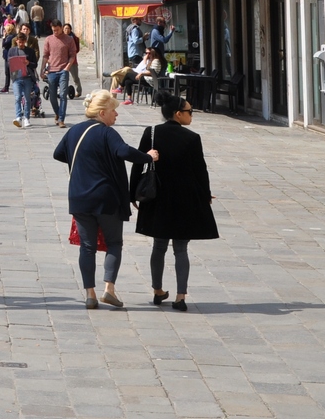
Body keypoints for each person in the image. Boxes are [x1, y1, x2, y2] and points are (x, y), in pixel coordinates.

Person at [54, 90, 159, 309]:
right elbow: (124, 152)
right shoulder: (106, 133)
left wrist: (84, 163)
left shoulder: (74, 131)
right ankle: (109, 289)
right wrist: (148, 157)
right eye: (114, 111)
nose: (116, 116)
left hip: (79, 197)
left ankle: (90, 294)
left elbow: (58, 153)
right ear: (102, 113)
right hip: (106, 198)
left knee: (87, 246)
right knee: (114, 243)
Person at [129, 95, 217, 311]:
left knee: (159, 246)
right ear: (178, 113)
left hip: (157, 197)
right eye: (190, 111)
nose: (191, 115)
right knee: (181, 248)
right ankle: (180, 296)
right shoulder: (192, 138)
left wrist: (132, 194)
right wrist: (206, 195)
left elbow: (138, 165)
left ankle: (158, 290)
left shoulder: (150, 133)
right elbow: (200, 170)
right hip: (184, 198)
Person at [43, 23, 78, 126]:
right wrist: (42, 70)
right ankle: (57, 113)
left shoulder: (69, 39)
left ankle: (61, 119)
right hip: (51, 71)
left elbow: (73, 55)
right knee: (52, 96)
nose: (55, 32)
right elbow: (45, 56)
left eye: (57, 30)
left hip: (63, 70)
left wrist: (67, 68)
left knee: (63, 95)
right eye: (53, 30)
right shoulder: (48, 39)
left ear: (61, 28)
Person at [7, 33, 37, 127]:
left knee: (27, 98)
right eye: (19, 42)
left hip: (27, 77)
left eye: (23, 42)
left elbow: (35, 65)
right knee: (17, 97)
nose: (21, 44)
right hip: (17, 77)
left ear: (25, 41)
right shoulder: (12, 51)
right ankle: (18, 117)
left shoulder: (30, 51)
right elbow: (8, 63)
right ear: (16, 41)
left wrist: (28, 63)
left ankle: (26, 118)